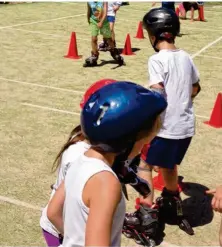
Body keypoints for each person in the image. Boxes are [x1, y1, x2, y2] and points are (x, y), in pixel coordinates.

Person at [47, 81, 167, 247]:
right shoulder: (106, 182)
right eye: (144, 142)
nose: (142, 149)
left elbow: (53, 212)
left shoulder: (81, 159)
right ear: (127, 140)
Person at [139, 7, 201, 223]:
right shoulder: (186, 57)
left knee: (143, 165)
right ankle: (173, 203)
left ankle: (146, 213)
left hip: (165, 128)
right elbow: (195, 88)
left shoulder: (157, 59)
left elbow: (157, 93)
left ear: (153, 35)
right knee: (168, 164)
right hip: (185, 128)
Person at [40, 79, 117, 247]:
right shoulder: (81, 156)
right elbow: (54, 213)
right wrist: (74, 238)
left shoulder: (93, 149)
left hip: (72, 220)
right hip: (60, 227)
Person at [84, 2, 124, 67]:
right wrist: (88, 19)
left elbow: (105, 13)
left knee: (109, 39)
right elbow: (89, 11)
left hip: (104, 22)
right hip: (93, 21)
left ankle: (114, 51)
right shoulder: (89, 2)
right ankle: (94, 55)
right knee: (94, 39)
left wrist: (101, 22)